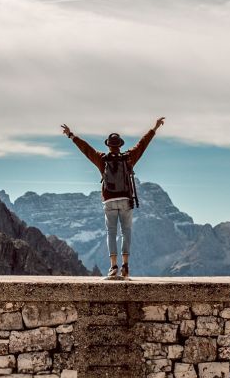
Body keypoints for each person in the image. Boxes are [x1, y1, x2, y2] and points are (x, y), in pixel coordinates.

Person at [61, 117, 165, 280]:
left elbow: (86, 149)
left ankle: (113, 266)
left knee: (111, 232)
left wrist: (71, 135)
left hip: (109, 200)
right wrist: (154, 128)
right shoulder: (129, 157)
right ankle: (125, 265)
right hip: (125, 199)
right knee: (126, 231)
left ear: (108, 145)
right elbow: (142, 144)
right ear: (120, 145)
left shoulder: (102, 159)